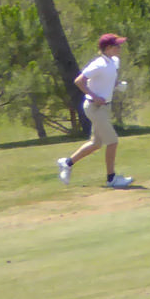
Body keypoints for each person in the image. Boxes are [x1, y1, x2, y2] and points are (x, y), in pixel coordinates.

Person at [58, 34, 132, 188]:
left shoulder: (114, 61)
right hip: (94, 107)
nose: (120, 48)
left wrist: (117, 84)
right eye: (117, 45)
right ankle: (111, 179)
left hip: (105, 108)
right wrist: (94, 96)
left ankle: (67, 163)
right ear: (108, 48)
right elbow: (79, 81)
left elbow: (107, 80)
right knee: (112, 141)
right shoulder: (98, 64)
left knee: (96, 143)